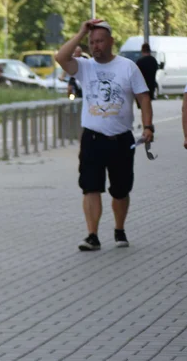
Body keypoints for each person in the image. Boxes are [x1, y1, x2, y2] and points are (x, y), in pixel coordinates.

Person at [55, 19, 153, 252]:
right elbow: (61, 57)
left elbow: (144, 98)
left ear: (111, 41)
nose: (95, 46)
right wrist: (81, 32)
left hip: (121, 139)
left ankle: (119, 229)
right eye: (92, 42)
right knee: (90, 187)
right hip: (92, 138)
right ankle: (92, 235)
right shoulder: (85, 67)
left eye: (99, 41)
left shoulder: (128, 67)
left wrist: (148, 126)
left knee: (120, 189)